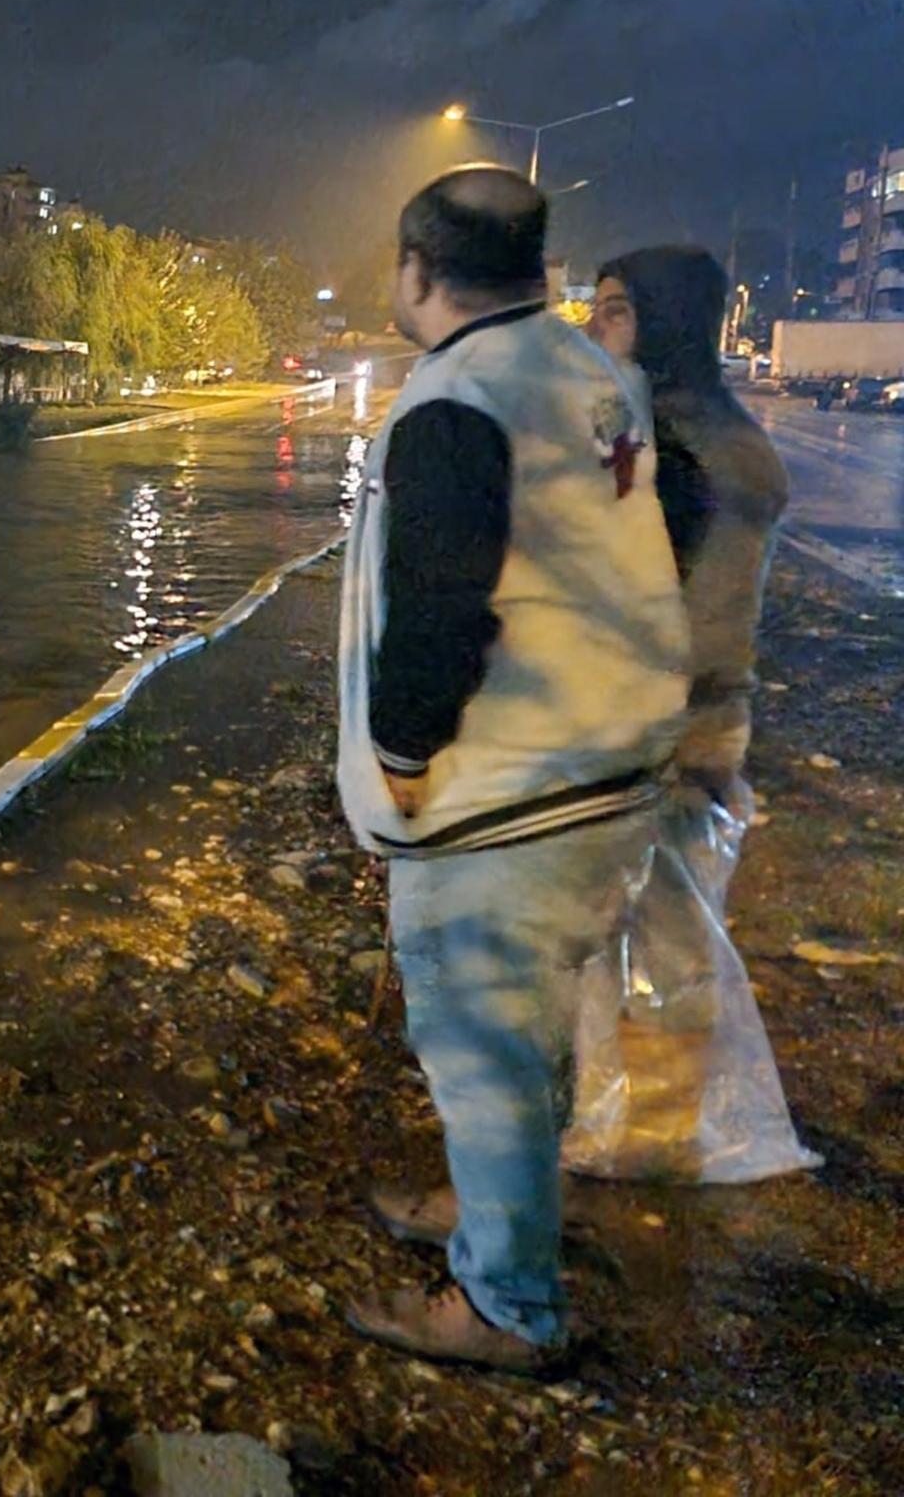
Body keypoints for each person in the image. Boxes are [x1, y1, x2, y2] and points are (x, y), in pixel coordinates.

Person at [336, 165, 690, 1370]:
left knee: (483, 1045)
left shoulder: (458, 399)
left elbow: (436, 609)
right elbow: (667, 518)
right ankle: (490, 1203)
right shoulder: (596, 373)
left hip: (507, 794)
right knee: (523, 1036)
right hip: (612, 770)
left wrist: (395, 761)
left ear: (415, 270)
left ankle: (505, 1308)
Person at [575, 247, 793, 1168]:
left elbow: (620, 589)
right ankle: (650, 1124)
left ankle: (633, 1138)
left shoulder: (669, 447)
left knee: (634, 930)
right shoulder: (723, 433)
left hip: (656, 721)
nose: (596, 328)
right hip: (701, 716)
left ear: (663, 325)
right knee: (671, 931)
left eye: (617, 311)